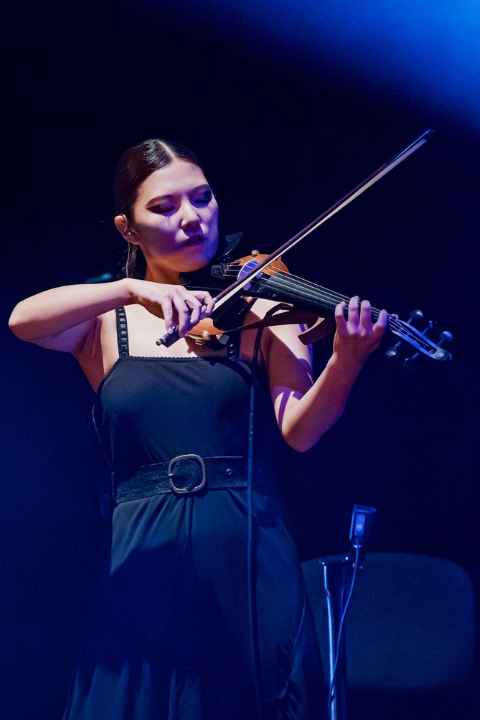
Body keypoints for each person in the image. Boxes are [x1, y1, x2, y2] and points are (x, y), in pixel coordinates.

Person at [9, 139, 387, 720]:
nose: (192, 218)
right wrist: (132, 288)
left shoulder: (260, 307)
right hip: (144, 546)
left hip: (246, 542)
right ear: (127, 228)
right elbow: (22, 321)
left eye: (203, 199)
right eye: (163, 208)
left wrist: (346, 361)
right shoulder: (106, 320)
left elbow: (300, 430)